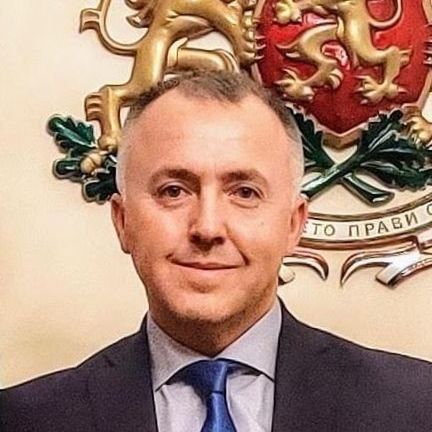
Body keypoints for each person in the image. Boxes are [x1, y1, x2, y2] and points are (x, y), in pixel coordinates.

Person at [1, 70, 431, 432]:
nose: (207, 227)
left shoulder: (416, 408)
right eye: (173, 191)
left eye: (244, 192)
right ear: (122, 221)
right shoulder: (26, 420)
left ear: (293, 224)